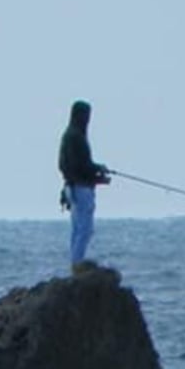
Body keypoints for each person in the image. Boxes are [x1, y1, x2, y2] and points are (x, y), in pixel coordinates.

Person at [58, 100, 110, 267]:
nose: (88, 119)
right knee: (85, 230)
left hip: (72, 187)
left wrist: (97, 175)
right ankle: (77, 265)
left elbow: (66, 166)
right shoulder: (76, 137)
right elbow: (80, 166)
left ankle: (75, 264)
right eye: (86, 115)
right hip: (81, 189)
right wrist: (98, 170)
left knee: (77, 230)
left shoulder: (68, 135)